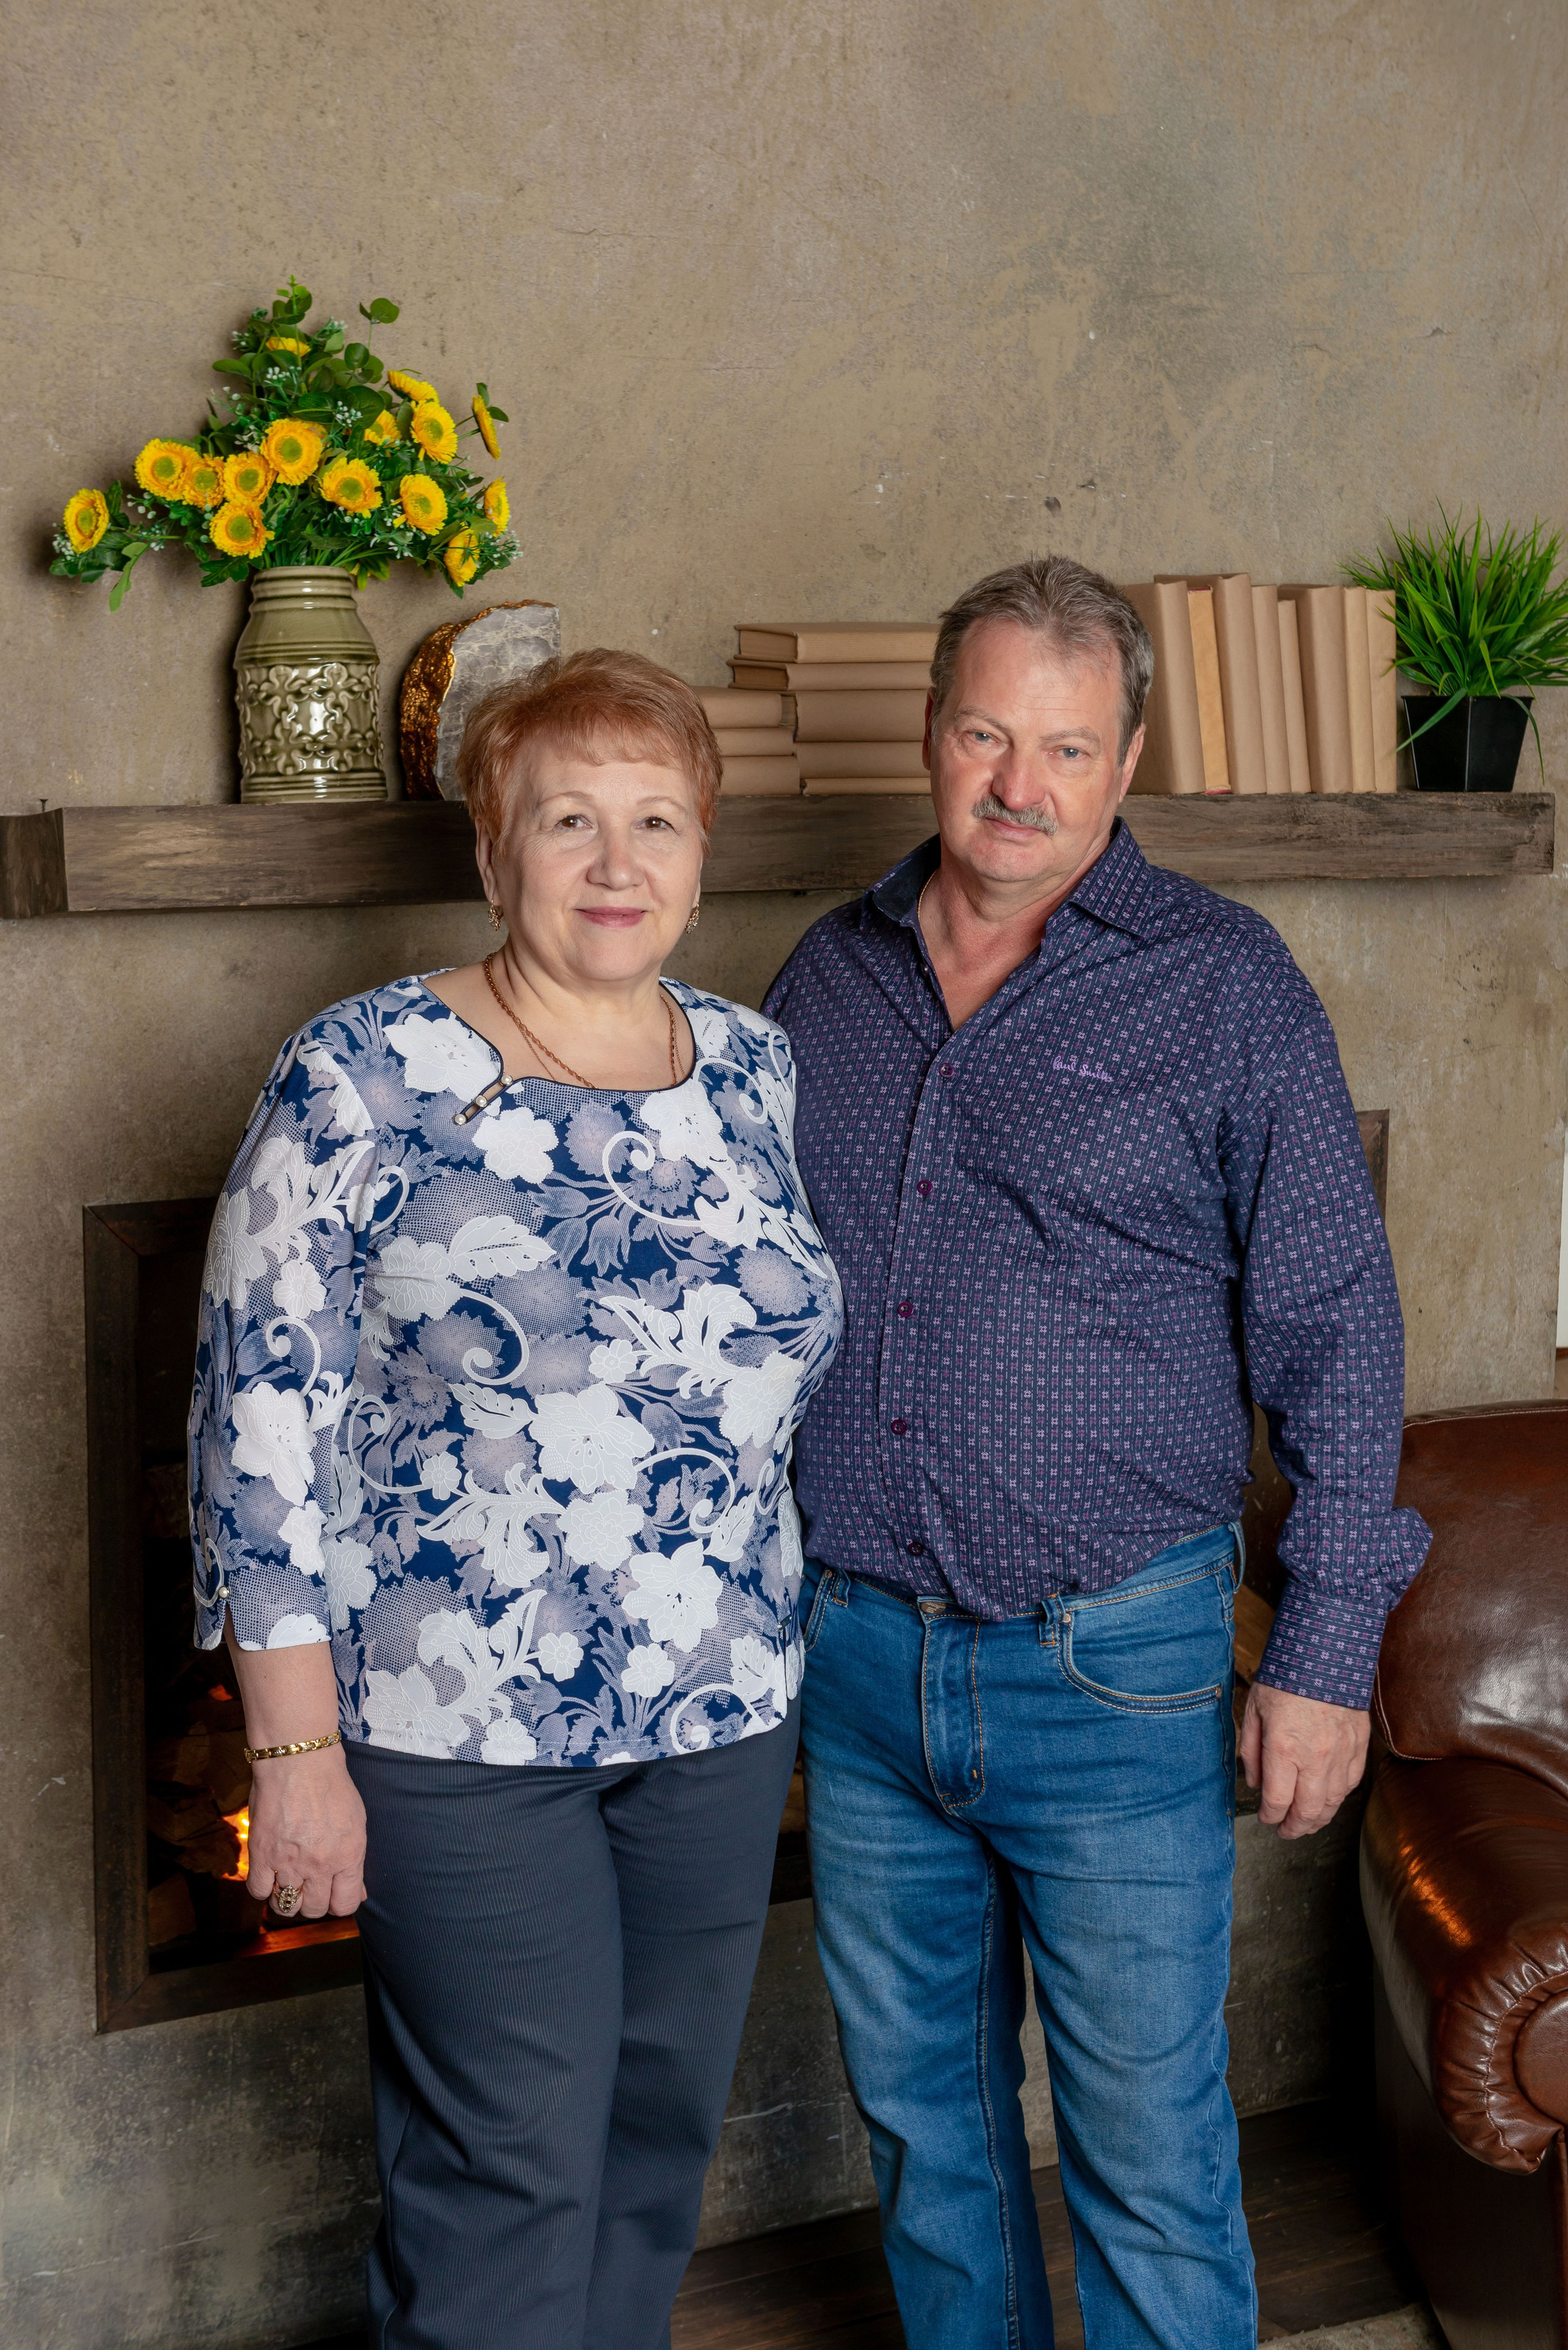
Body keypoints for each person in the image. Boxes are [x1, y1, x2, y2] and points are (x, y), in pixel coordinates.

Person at [763, 557, 1430, 2350]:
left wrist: (1325, 1655)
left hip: (1115, 1668)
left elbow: (1339, 1327)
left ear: (1127, 762)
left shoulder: (1225, 984)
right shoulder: (823, 978)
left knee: (1148, 2153)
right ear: (931, 734)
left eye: (1066, 747)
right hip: (862, 1662)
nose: (1019, 786)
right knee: (930, 2140)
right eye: (987, 734)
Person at [189, 650, 842, 2350]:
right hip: (456, 1723)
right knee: (510, 2171)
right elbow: (256, 1429)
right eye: (569, 822)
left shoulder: (754, 1067)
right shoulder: (359, 1072)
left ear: (701, 852)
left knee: (651, 2151)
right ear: (494, 853)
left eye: (656, 821)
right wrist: (293, 1754)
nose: (617, 864)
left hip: (719, 1707)